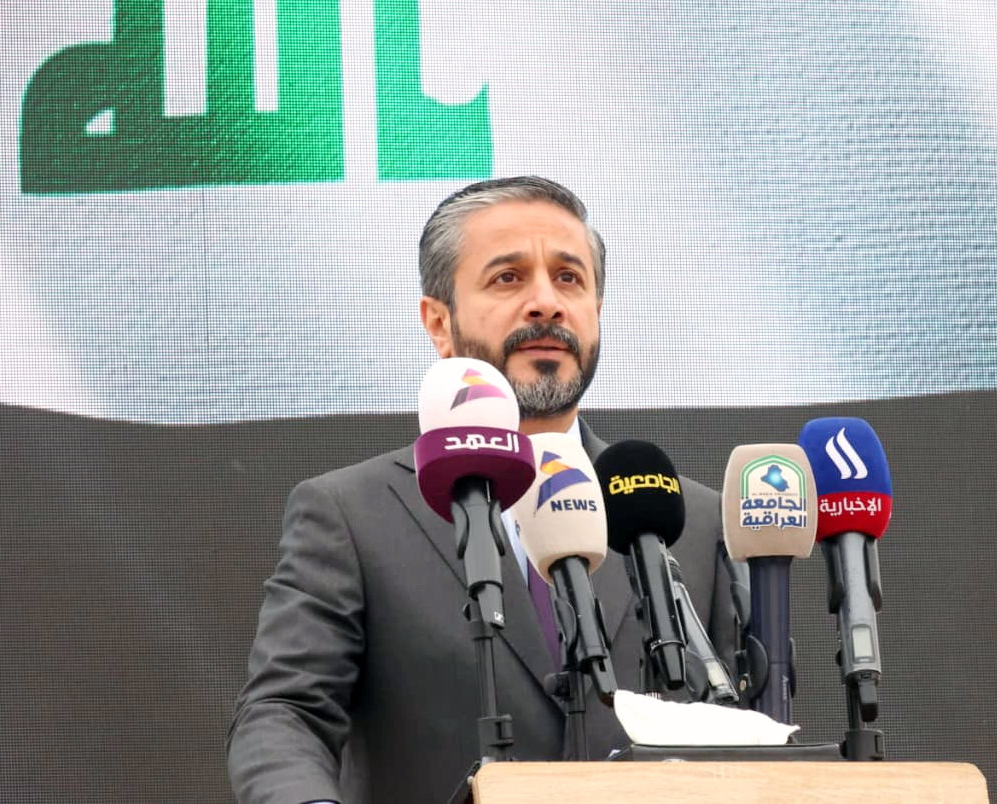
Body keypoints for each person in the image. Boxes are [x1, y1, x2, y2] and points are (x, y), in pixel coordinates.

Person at [227, 176, 732, 803]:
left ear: (597, 310)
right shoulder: (352, 515)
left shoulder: (687, 519)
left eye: (569, 278)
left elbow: (753, 735)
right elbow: (284, 714)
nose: (546, 303)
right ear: (439, 323)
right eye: (508, 278)